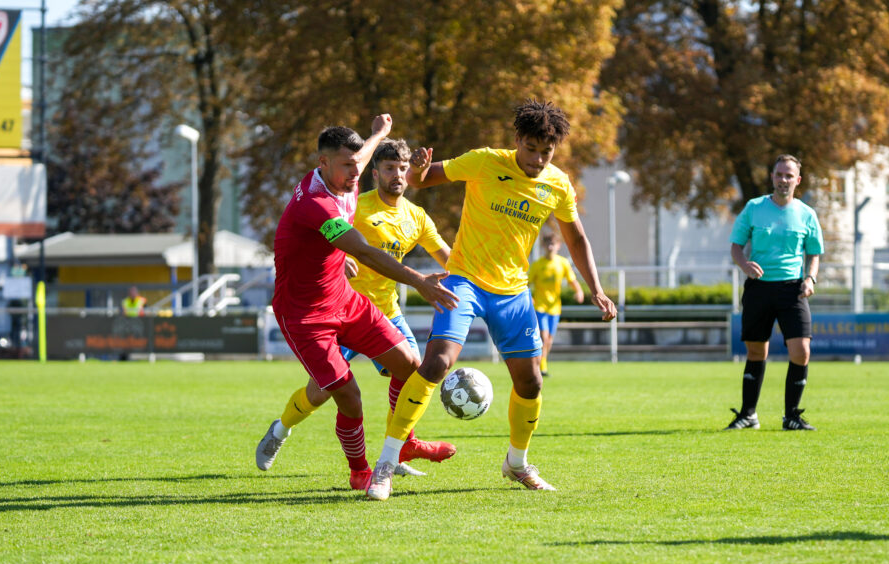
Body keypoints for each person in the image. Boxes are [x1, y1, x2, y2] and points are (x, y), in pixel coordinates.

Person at [366, 99, 617, 501]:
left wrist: (597, 289)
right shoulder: (484, 161)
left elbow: (576, 238)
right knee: (436, 362)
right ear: (517, 140)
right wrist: (415, 166)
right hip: (464, 280)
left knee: (531, 381)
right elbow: (419, 181)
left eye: (545, 152)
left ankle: (516, 464)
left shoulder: (557, 184)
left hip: (514, 292)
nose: (536, 159)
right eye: (530, 148)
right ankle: (386, 463)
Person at [255, 115, 458, 491]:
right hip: (305, 315)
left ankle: (405, 443)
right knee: (347, 397)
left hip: (346, 299)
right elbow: (364, 251)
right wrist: (418, 281)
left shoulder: (346, 172)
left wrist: (380, 132)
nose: (355, 171)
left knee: (410, 366)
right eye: (346, 165)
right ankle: (358, 470)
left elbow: (362, 155)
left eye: (356, 164)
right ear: (323, 164)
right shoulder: (317, 205)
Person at [726, 154, 824, 432]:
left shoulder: (806, 213)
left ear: (798, 180)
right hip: (759, 289)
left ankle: (791, 416)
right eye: (779, 174)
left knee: (801, 351)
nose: (783, 180)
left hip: (792, 290)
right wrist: (745, 264)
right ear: (772, 177)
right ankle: (748, 415)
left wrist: (810, 277)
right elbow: (735, 246)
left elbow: (814, 252)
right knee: (756, 350)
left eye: (789, 176)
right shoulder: (754, 208)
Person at [528, 230, 584, 377]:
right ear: (543, 246)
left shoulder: (562, 263)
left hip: (555, 308)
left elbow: (572, 280)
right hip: (540, 306)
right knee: (543, 337)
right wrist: (529, 298)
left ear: (558, 245)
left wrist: (579, 291)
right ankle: (542, 367)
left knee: (550, 340)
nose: (550, 247)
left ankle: (541, 362)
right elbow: (526, 284)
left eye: (553, 244)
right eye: (547, 244)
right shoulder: (537, 265)